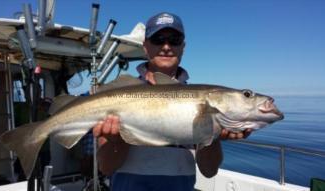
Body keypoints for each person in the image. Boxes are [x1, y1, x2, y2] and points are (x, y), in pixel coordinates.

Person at [93, 12, 251, 191]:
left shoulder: (197, 103)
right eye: (158, 39)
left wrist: (213, 136)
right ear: (145, 46)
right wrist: (118, 140)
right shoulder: (117, 97)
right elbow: (106, 168)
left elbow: (209, 171)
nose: (166, 46)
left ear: (183, 47)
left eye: (174, 39)